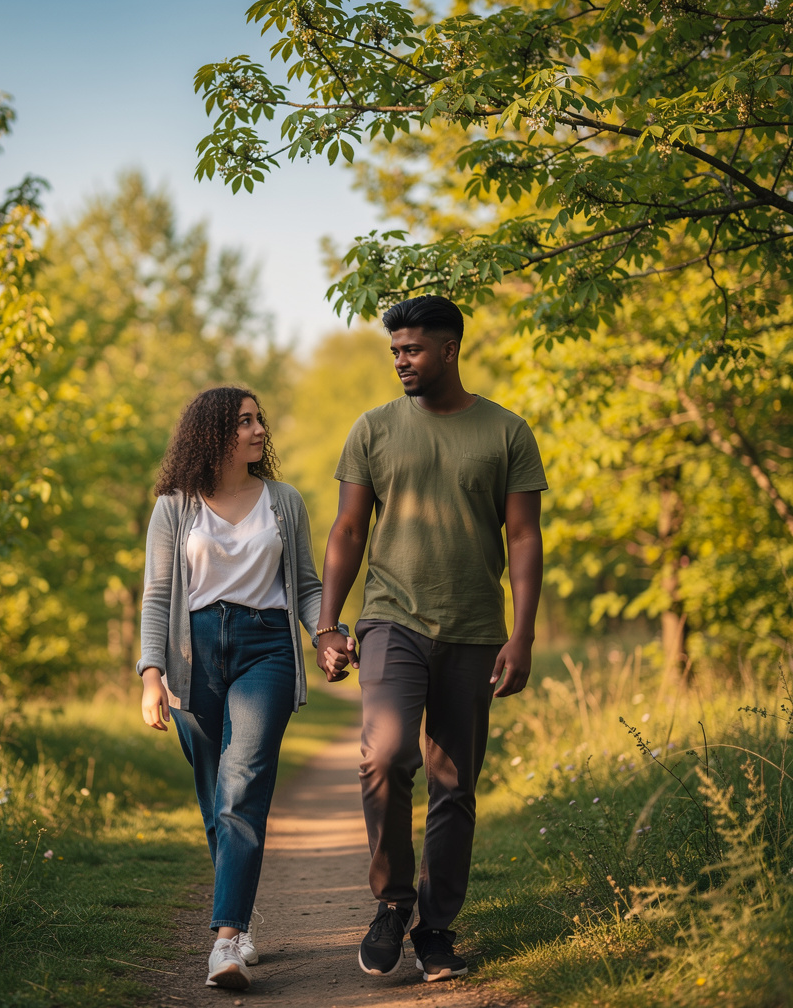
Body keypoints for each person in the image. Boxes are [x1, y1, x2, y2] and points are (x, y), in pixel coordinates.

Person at [315, 295, 547, 983]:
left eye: (411, 349)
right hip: (392, 617)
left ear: (449, 349)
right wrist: (329, 623)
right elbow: (348, 530)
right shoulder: (374, 429)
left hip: (476, 628)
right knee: (385, 756)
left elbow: (525, 536)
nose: (400, 362)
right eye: (394, 351)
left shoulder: (507, 431)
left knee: (454, 784)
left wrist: (523, 635)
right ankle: (392, 901)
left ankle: (436, 927)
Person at [138, 386, 347, 990]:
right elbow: (157, 596)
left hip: (266, 649)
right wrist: (152, 673)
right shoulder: (174, 506)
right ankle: (241, 917)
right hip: (191, 654)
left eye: (259, 420)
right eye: (246, 422)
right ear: (213, 434)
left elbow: (306, 587)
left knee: (243, 780)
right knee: (214, 794)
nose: (260, 430)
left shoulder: (283, 501)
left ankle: (225, 942)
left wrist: (325, 634)